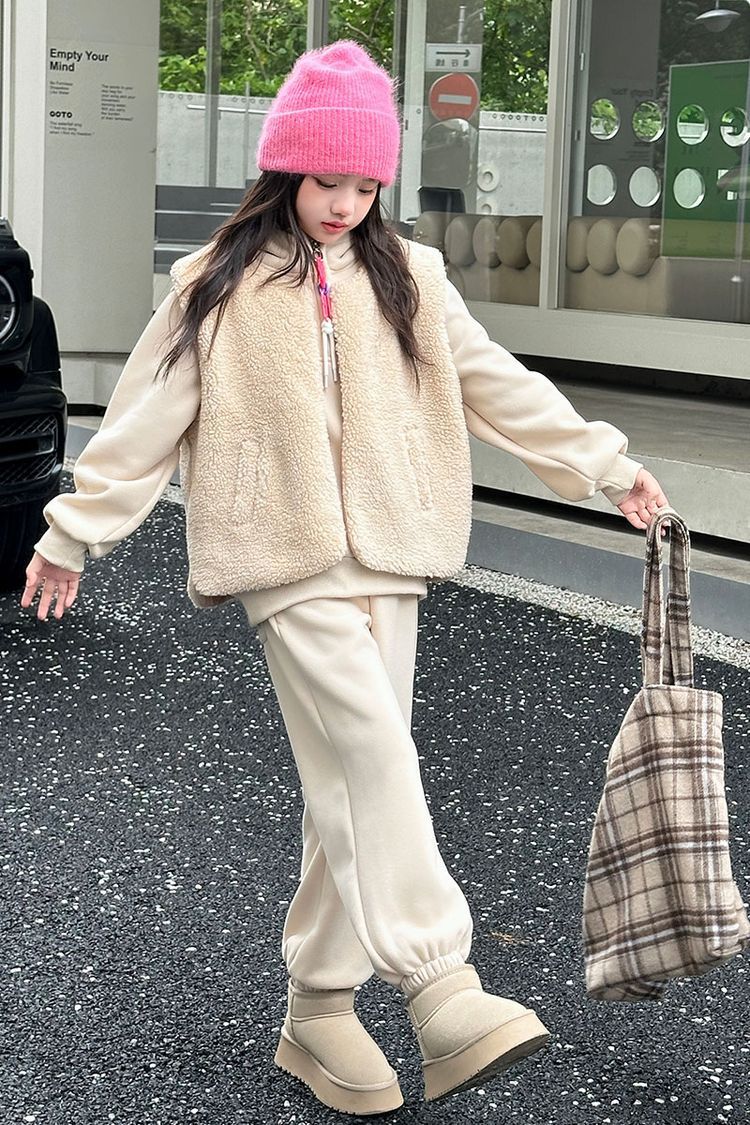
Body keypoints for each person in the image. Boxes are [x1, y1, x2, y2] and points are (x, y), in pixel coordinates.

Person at [21, 40, 668, 1116]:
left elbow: (495, 383)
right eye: (329, 181)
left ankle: (319, 1008)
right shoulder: (216, 283)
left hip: (393, 550)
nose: (346, 204)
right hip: (280, 552)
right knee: (371, 749)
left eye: (367, 186)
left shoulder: (412, 277)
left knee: (354, 778)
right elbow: (144, 415)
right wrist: (75, 529)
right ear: (286, 170)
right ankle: (441, 985)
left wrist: (604, 465)